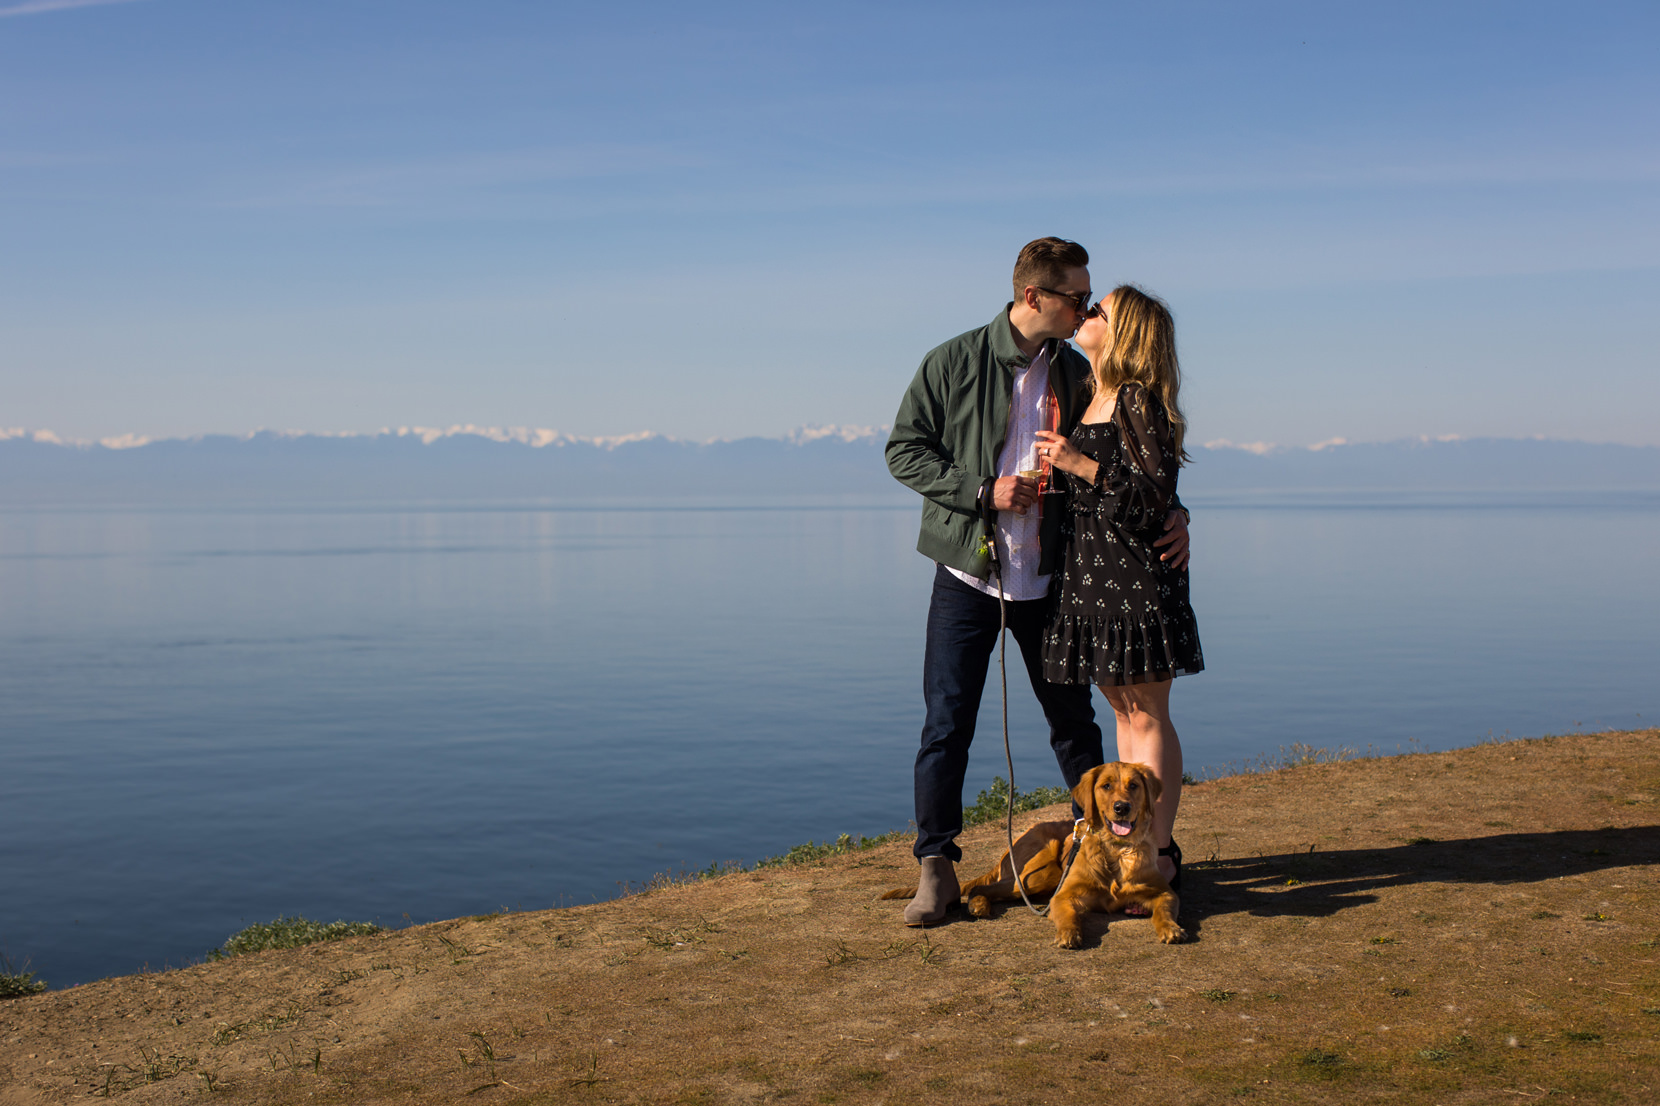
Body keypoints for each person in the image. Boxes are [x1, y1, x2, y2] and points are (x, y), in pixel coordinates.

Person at [885, 240, 1190, 927]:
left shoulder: (1079, 373)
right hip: (968, 573)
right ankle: (935, 867)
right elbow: (903, 449)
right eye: (1075, 298)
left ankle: (1112, 851)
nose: (1084, 307)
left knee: (1074, 726)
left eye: (1089, 302)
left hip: (1052, 583)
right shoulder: (953, 361)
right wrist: (980, 490)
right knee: (946, 726)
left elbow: (1136, 458)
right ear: (1034, 298)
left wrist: (1176, 511)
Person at [1033, 284, 1203, 895]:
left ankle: (1157, 856)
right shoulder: (1090, 392)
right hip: (1092, 575)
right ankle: (1138, 856)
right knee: (1122, 711)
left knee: (1149, 716)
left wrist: (1079, 464)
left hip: (1134, 575)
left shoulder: (1136, 397)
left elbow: (1152, 498)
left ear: (1124, 331)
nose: (1087, 315)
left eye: (1098, 310)